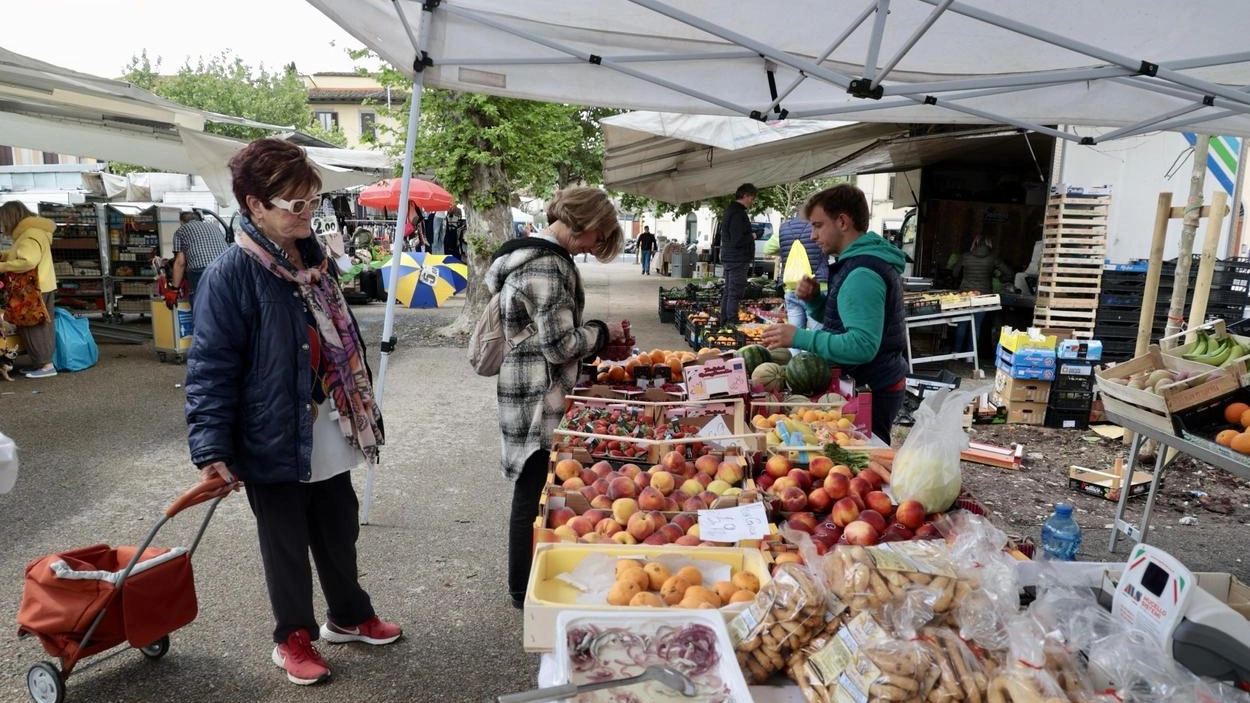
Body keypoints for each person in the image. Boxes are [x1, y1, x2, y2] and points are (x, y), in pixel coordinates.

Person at [185, 138, 400, 687]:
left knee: (338, 525)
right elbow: (211, 367)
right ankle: (292, 637)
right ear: (255, 204)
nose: (308, 214)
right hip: (271, 431)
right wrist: (211, 448)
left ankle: (348, 615)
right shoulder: (232, 273)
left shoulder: (315, 263)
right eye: (295, 205)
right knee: (284, 541)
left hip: (328, 424)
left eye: (311, 202)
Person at [486, 186, 626, 609]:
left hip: (527, 387)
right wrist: (603, 332)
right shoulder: (546, 267)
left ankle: (528, 581)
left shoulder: (532, 258)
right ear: (583, 224)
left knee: (538, 485)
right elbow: (560, 345)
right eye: (596, 238)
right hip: (534, 397)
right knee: (532, 487)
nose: (592, 248)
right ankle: (521, 588)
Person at [760, 184, 907, 443]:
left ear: (842, 222)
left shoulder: (861, 273)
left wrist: (799, 338)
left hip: (871, 389)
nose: (813, 235)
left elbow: (862, 345)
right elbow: (844, 320)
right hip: (871, 383)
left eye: (818, 225)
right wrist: (816, 301)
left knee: (866, 468)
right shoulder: (856, 263)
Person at [0, 202, 58, 378]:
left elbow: (28, 261)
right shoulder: (33, 231)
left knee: (33, 326)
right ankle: (42, 363)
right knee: (38, 325)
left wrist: (2, 266)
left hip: (33, 288)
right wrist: (5, 256)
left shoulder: (29, 235)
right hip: (42, 285)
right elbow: (23, 255)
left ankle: (45, 366)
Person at [763, 213, 828, 334]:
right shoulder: (819, 227)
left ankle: (794, 354)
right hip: (816, 286)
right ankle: (811, 354)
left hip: (791, 288)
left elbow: (768, 249)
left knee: (793, 334)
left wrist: (784, 251)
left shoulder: (784, 228)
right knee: (817, 334)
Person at [951, 235, 1013, 354]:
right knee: (976, 325)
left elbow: (954, 273)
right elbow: (1009, 273)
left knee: (962, 324)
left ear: (975, 243)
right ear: (989, 244)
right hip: (983, 296)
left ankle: (956, 353)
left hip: (965, 294)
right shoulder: (993, 258)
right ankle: (970, 356)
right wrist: (998, 276)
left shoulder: (965, 256)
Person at [715, 183, 757, 323]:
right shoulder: (738, 214)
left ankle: (725, 320)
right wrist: (753, 236)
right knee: (735, 292)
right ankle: (731, 322)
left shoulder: (731, 211)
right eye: (752, 198)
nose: (752, 202)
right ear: (745, 196)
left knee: (729, 291)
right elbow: (737, 239)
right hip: (737, 259)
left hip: (731, 258)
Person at [170, 210, 230, 310]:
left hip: (200, 269)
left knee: (201, 304)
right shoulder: (214, 227)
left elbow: (180, 263)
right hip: (226, 267)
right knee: (223, 303)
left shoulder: (181, 230)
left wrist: (174, 290)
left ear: (182, 222)